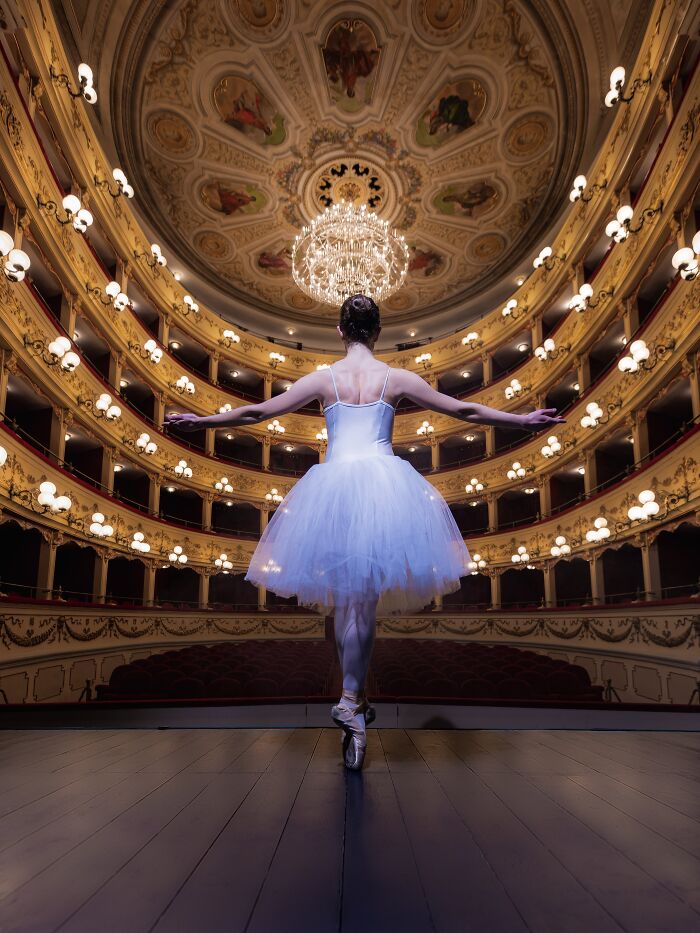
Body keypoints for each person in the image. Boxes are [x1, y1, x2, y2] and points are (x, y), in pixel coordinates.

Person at [164, 294, 565, 770]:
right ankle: (351, 699)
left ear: (341, 331)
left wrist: (201, 420)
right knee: (363, 602)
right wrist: (522, 419)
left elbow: (257, 413)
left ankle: (353, 696)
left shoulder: (322, 379)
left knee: (345, 602)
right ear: (377, 332)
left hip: (334, 489)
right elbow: (466, 412)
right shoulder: (397, 379)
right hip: (382, 486)